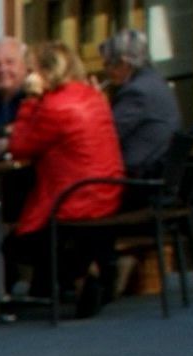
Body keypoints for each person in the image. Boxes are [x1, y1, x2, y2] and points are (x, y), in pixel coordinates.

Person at [9, 40, 124, 312]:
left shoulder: (55, 106)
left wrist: (29, 101)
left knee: (17, 245)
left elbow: (19, 147)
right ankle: (83, 274)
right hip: (107, 190)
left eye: (31, 69)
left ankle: (82, 276)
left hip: (75, 198)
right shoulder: (93, 96)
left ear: (43, 73)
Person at [101, 29, 179, 182]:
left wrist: (95, 103)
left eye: (108, 64)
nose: (107, 71)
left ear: (124, 62)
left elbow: (107, 135)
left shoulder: (137, 91)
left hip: (139, 179)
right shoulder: (154, 81)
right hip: (155, 171)